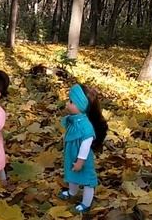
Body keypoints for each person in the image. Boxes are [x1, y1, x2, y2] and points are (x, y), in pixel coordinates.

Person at [58, 84, 108, 213]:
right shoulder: (74, 120)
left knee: (87, 180)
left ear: (81, 105)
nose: (68, 104)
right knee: (71, 173)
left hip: (82, 158)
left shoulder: (86, 126)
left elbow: (86, 145)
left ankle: (86, 203)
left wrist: (80, 161)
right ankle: (72, 191)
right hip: (72, 153)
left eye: (71, 102)